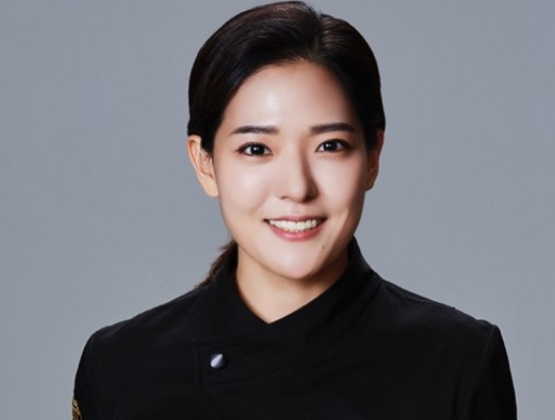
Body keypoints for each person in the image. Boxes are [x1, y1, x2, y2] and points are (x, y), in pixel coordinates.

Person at [72, 2, 517, 419]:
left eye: (330, 145)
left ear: (373, 156)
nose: (297, 188)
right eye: (256, 149)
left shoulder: (457, 362)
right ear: (205, 164)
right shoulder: (121, 368)